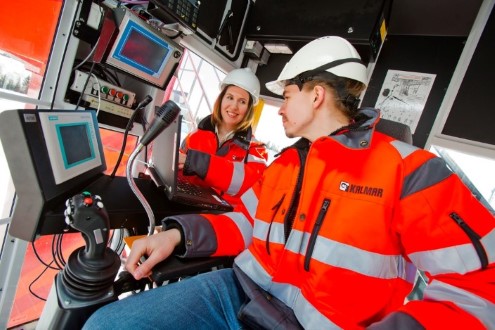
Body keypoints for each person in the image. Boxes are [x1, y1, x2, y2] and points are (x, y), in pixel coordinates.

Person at [84, 36, 495, 329]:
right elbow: (247, 221)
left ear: (316, 95)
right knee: (105, 324)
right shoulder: (286, 164)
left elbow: (482, 288)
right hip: (238, 291)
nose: (279, 109)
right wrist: (176, 236)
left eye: (288, 94)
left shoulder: (411, 171)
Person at [176, 67, 268, 211]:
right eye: (230, 97)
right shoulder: (195, 135)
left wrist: (196, 162)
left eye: (242, 102)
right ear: (221, 99)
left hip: (221, 219)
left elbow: (250, 183)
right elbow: (180, 172)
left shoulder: (256, 150)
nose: (234, 106)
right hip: (184, 208)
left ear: (249, 109)